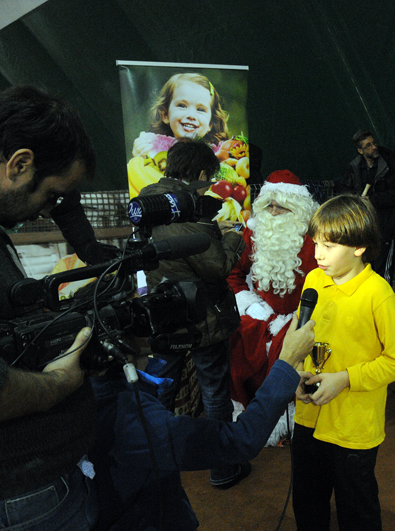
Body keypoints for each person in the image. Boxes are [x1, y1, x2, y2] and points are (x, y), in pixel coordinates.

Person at [0, 85, 99, 529]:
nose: (49, 212)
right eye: (51, 195)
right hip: (3, 504)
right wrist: (57, 383)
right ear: (20, 164)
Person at [89, 313, 315, 531]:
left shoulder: (96, 391)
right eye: (141, 315)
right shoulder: (130, 421)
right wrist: (287, 361)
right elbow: (241, 439)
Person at [292, 194, 395, 531]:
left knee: (356, 507)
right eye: (315, 242)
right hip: (309, 417)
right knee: (308, 501)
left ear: (359, 246)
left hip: (353, 426)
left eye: (328, 246)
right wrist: (297, 375)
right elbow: (302, 332)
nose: (317, 254)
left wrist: (345, 378)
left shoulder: (378, 293)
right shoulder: (314, 280)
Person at [138, 139, 250, 490]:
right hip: (201, 313)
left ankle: (150, 460)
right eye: (207, 178)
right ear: (200, 173)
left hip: (164, 308)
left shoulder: (149, 198)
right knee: (213, 388)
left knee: (160, 388)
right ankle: (222, 468)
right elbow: (215, 267)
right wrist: (233, 239)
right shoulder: (182, 209)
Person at [227, 170, 317, 433]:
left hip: (300, 316)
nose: (274, 212)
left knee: (287, 346)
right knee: (240, 339)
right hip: (261, 313)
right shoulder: (252, 235)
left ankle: (288, 418)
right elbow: (234, 274)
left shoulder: (313, 240)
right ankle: (252, 417)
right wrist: (254, 307)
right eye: (269, 205)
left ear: (297, 208)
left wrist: (296, 320)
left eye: (282, 206)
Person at [127, 73, 250, 221]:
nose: (191, 115)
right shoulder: (150, 145)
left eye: (200, 109)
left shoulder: (220, 153)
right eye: (182, 105)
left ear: (210, 123)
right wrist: (139, 157)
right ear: (165, 114)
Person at [335, 130, 395, 284]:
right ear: (360, 151)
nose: (374, 147)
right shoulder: (355, 167)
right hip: (365, 226)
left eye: (374, 143)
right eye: (368, 145)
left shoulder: (388, 163)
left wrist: (373, 200)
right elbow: (344, 189)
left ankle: (382, 300)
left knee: (382, 271)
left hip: (387, 226)